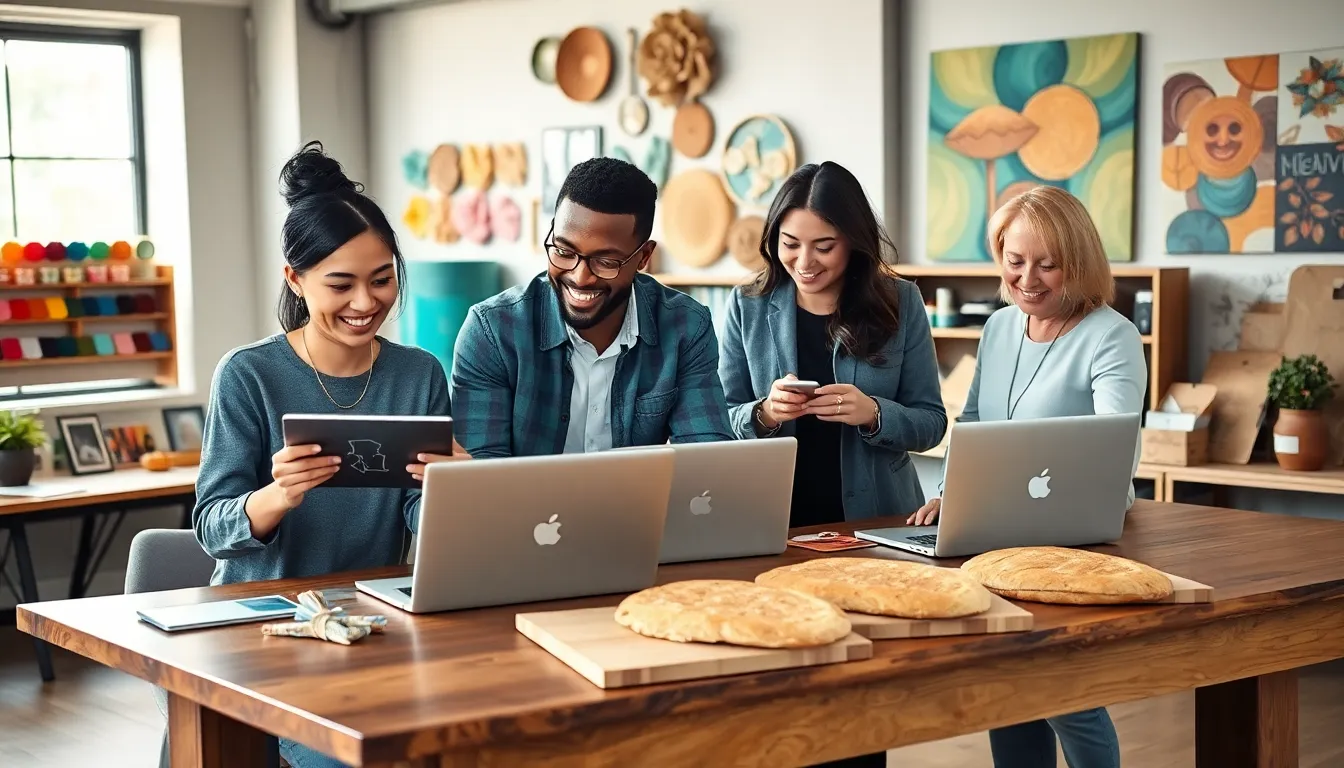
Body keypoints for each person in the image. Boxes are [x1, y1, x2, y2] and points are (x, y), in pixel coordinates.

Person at [192, 141, 467, 768]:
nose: (366, 304)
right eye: (340, 284)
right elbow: (213, 529)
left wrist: (453, 493)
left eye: (382, 280)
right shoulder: (249, 374)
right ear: (296, 278)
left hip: (371, 625)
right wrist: (277, 496)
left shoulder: (418, 374)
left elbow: (416, 523)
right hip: (261, 629)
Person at [908, 185, 1145, 768]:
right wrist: (948, 494)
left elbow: (1118, 450)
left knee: (1067, 692)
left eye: (1047, 264)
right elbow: (977, 423)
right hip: (996, 530)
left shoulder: (1110, 334)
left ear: (1080, 262)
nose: (1028, 278)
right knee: (1004, 689)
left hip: (1072, 539)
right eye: (1015, 261)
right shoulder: (999, 328)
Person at [450, 156, 734, 456]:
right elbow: (481, 475)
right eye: (563, 250)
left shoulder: (686, 328)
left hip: (638, 505)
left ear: (643, 257)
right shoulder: (493, 332)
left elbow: (707, 459)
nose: (580, 277)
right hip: (521, 504)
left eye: (605, 261)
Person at [718, 161, 947, 529]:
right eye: (790, 244)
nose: (805, 262)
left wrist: (874, 413)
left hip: (881, 518)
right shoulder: (747, 305)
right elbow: (718, 423)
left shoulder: (902, 301)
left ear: (854, 243)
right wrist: (765, 412)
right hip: (774, 521)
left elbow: (932, 423)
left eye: (824, 247)